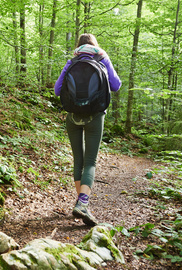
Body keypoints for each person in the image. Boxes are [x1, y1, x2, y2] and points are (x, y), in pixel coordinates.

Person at [54, 33, 121, 226]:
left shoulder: (71, 61)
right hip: (95, 116)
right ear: (94, 45)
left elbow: (58, 90)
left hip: (73, 117)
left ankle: (81, 204)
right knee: (90, 161)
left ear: (78, 46)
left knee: (79, 160)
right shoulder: (102, 58)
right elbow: (116, 86)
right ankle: (82, 204)